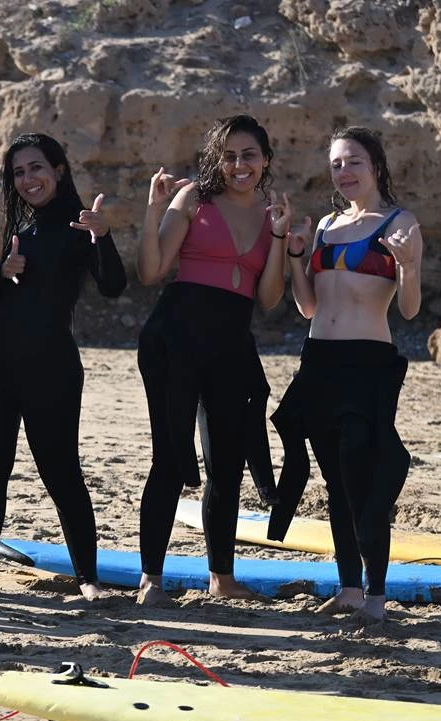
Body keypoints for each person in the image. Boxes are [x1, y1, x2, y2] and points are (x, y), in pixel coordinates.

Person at [0, 133, 126, 600]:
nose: (28, 179)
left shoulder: (79, 226)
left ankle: (89, 581)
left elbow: (113, 286)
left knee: (61, 473)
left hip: (51, 369)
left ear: (58, 169)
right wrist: (3, 272)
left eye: (36, 168)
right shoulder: (23, 230)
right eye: (18, 172)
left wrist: (103, 236)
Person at [135, 114, 291, 607]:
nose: (239, 165)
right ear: (215, 160)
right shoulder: (192, 200)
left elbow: (268, 300)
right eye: (229, 156)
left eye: (248, 155)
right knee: (168, 458)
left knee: (227, 464)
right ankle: (151, 580)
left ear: (265, 159)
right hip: (175, 337)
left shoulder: (271, 217)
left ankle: (220, 577)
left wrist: (283, 240)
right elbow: (151, 270)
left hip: (230, 343)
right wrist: (153, 209)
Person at [269, 126, 421, 625]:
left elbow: (412, 310)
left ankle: (376, 596)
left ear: (375, 165)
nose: (343, 171)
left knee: (364, 477)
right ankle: (350, 588)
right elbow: (308, 305)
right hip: (320, 363)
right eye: (335, 163)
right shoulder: (327, 225)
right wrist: (296, 257)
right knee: (336, 481)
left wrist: (409, 265)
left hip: (367, 363)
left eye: (353, 161)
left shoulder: (400, 223)